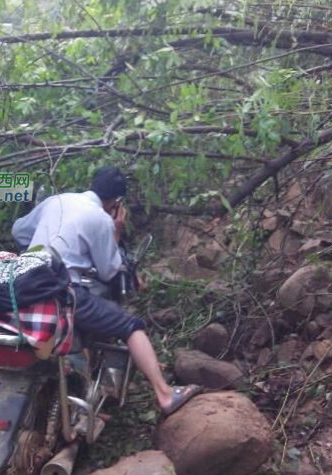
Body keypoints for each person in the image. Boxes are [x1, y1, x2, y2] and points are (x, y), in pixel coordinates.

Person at [12, 166, 200, 415]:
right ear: (116, 202)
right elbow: (109, 271)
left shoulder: (56, 200)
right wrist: (116, 231)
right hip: (63, 292)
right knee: (132, 327)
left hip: (22, 287)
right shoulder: (100, 218)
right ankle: (165, 395)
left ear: (92, 184)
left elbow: (19, 231)